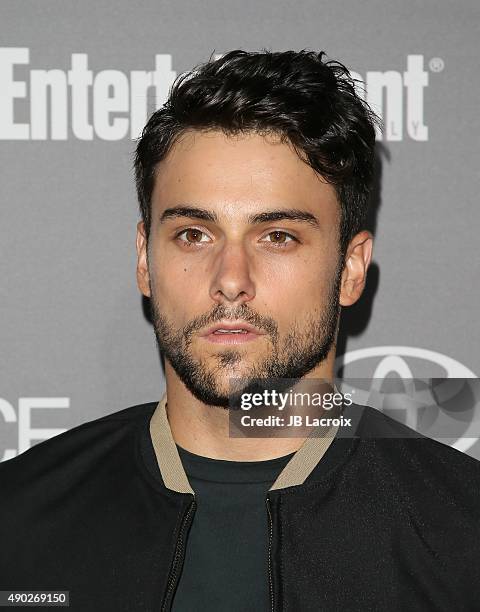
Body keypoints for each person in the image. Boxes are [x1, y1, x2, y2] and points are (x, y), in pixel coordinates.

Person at [0, 49, 479, 612]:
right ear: (142, 259)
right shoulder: (18, 519)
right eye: (193, 234)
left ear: (350, 269)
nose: (231, 280)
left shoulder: (463, 535)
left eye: (277, 236)